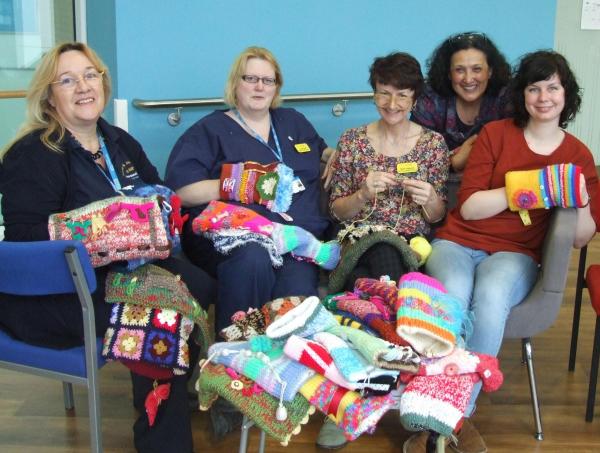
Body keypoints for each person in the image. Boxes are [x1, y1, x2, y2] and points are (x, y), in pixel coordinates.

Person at [0, 42, 216, 453]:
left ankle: (159, 391)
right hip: (57, 295)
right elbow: (22, 245)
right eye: (67, 79)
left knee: (201, 284)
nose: (82, 86)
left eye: (90, 74)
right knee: (160, 317)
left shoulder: (116, 140)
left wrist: (155, 215)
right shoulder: (32, 155)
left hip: (119, 273)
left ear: (103, 81)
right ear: (49, 95)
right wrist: (103, 231)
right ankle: (163, 439)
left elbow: (160, 196)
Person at [403, 50, 599, 453]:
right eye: (534, 88)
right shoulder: (496, 134)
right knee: (453, 295)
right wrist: (532, 186)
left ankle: (452, 417)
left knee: (491, 296)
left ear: (567, 94)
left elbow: (581, 237)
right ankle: (438, 411)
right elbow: (470, 207)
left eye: (553, 87)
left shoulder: (578, 155)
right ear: (522, 94)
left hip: (516, 253)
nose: (544, 97)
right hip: (457, 240)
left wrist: (576, 198)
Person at [165, 46, 335, 333]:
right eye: (250, 79)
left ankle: (282, 368)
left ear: (276, 86)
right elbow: (181, 192)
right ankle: (234, 359)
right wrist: (238, 186)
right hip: (238, 239)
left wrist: (342, 154)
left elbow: (322, 153)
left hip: (296, 241)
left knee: (296, 300)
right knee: (252, 259)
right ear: (235, 83)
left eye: (267, 80)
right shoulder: (210, 130)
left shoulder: (293, 121)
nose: (259, 87)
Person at [328, 52, 449, 294]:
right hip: (357, 237)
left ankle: (366, 309)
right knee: (382, 249)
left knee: (361, 279)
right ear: (374, 94)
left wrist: (431, 198)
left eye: (402, 95)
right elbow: (336, 211)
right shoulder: (352, 140)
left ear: (414, 99)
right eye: (384, 93)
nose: (392, 105)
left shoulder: (433, 144)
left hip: (410, 244)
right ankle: (400, 318)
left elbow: (437, 217)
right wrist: (362, 194)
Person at [412, 31, 511, 172]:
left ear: (490, 71)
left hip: (493, 185)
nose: (468, 79)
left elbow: (516, 152)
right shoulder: (430, 100)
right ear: (448, 73)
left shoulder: (506, 98)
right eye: (459, 70)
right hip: (436, 188)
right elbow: (413, 160)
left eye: (477, 69)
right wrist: (453, 161)